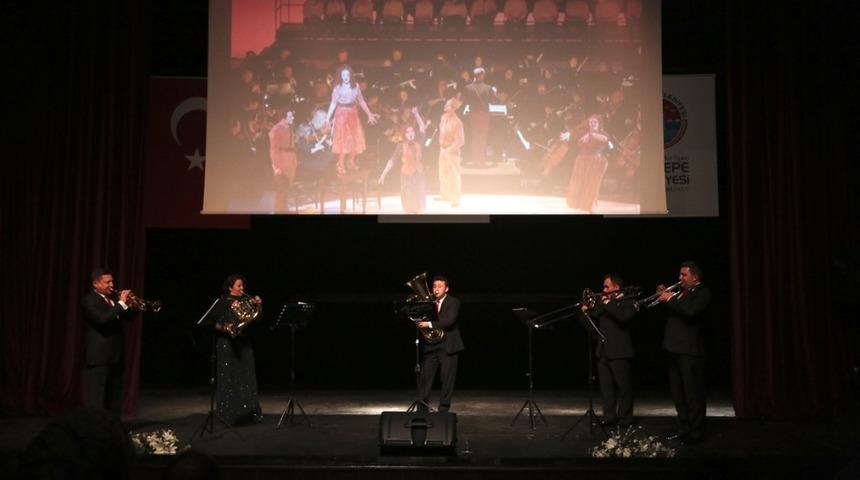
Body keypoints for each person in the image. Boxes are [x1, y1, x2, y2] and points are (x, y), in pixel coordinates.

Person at [657, 261, 711, 444]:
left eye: (684, 275)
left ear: (695, 277)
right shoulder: (680, 293)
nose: (679, 278)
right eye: (680, 274)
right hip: (673, 349)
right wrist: (665, 296)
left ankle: (696, 433)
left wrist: (669, 299)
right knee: (678, 395)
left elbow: (689, 311)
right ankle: (683, 430)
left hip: (690, 351)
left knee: (693, 395)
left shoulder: (702, 293)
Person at [580, 273, 636, 427]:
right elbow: (593, 321)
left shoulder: (628, 301)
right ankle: (609, 416)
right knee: (606, 388)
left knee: (624, 388)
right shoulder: (604, 304)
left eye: (607, 287)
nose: (603, 290)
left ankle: (625, 419)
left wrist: (607, 303)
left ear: (616, 287)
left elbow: (623, 317)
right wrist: (585, 312)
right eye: (603, 287)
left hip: (620, 352)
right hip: (603, 351)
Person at [210, 274, 263, 425]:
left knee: (246, 377)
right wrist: (230, 314)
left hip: (243, 343)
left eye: (242, 286)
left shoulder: (245, 300)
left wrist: (258, 305)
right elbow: (217, 324)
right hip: (227, 344)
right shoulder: (222, 302)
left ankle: (248, 414)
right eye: (239, 286)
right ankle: (228, 414)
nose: (242, 288)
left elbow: (256, 318)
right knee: (229, 377)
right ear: (230, 288)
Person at [80, 268, 133, 412]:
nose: (112, 285)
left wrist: (129, 305)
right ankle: (96, 424)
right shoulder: (88, 300)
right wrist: (121, 304)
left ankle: (113, 423)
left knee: (114, 396)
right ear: (96, 284)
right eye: (107, 282)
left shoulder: (113, 300)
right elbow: (102, 319)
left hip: (115, 354)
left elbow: (129, 319)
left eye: (112, 281)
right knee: (97, 397)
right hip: (99, 355)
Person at [416, 276, 464, 412]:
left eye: (440, 286)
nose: (436, 289)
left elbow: (449, 320)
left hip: (448, 346)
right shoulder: (429, 303)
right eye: (434, 286)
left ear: (446, 289)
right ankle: (422, 407)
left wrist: (429, 324)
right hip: (431, 345)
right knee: (425, 378)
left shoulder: (453, 302)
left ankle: (444, 408)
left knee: (446, 379)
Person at [325, 65, 379, 176]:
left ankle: (350, 160)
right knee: (344, 140)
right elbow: (333, 103)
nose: (345, 77)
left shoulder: (356, 86)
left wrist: (369, 114)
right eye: (343, 75)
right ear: (341, 76)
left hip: (353, 113)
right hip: (341, 113)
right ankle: (340, 163)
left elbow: (361, 101)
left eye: (347, 74)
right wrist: (327, 118)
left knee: (355, 138)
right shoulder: (337, 88)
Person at [378, 107, 428, 214]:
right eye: (408, 132)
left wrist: (416, 114)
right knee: (409, 200)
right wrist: (383, 175)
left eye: (412, 131)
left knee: (418, 198)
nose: (410, 133)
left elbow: (422, 127)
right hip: (407, 174)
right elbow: (392, 160)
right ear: (405, 134)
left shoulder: (419, 142)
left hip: (418, 172)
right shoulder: (401, 146)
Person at [567, 114, 609, 212]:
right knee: (578, 183)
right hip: (582, 160)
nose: (592, 124)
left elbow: (604, 139)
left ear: (599, 123)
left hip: (595, 161)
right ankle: (579, 204)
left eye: (595, 122)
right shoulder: (584, 133)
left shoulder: (603, 133)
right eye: (590, 122)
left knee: (592, 184)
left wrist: (590, 134)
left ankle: (590, 206)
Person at [462, 67, 498, 168]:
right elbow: (494, 100)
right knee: (483, 138)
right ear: (482, 75)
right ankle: (481, 161)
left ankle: (475, 161)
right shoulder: (488, 88)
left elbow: (465, 101)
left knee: (474, 137)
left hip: (473, 115)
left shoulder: (467, 88)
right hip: (484, 115)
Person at [437, 96, 465, 207]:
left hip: (452, 151)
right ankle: (446, 195)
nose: (445, 106)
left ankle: (455, 198)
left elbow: (461, 140)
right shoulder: (443, 118)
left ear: (453, 108)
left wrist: (449, 149)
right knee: (443, 173)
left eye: (447, 105)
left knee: (454, 175)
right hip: (442, 149)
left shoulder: (457, 122)